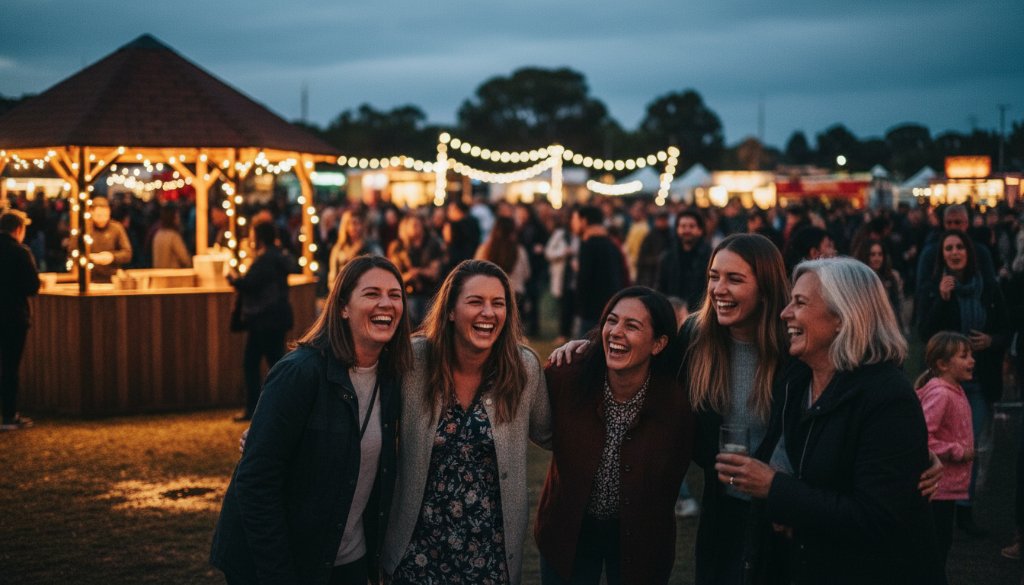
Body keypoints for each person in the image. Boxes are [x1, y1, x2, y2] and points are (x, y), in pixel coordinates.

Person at [716, 258, 941, 584]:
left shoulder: (887, 398)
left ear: (841, 317)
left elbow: (877, 517)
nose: (785, 313)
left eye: (800, 303)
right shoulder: (796, 380)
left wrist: (775, 489)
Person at [211, 255, 413, 585]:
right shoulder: (300, 373)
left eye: (395, 294)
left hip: (348, 556)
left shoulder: (393, 378)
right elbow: (255, 483)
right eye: (372, 293)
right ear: (343, 307)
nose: (386, 304)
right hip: (282, 559)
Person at [383, 260, 551, 585]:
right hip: (417, 552)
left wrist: (585, 356)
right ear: (450, 311)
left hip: (490, 554)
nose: (488, 312)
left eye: (498, 303)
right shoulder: (413, 363)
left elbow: (555, 434)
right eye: (475, 302)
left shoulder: (523, 369)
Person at [536, 286, 693, 585]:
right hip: (570, 529)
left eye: (632, 325)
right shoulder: (567, 376)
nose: (616, 332)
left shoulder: (677, 402)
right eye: (612, 320)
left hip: (641, 534)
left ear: (658, 344)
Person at [918, 229, 1009, 536]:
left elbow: (1006, 329)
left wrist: (991, 341)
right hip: (946, 381)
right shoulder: (936, 287)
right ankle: (942, 501)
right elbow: (925, 332)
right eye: (948, 248)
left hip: (979, 377)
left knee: (972, 445)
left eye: (959, 247)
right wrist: (942, 299)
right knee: (945, 442)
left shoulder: (988, 288)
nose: (954, 252)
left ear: (969, 252)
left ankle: (965, 508)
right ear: (942, 254)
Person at [915, 331, 976, 583]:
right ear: (942, 364)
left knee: (942, 544)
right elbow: (923, 438)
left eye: (971, 354)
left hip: (948, 488)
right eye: (964, 356)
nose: (972, 360)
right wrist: (958, 451)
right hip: (937, 488)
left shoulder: (955, 390)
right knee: (935, 548)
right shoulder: (941, 394)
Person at [228, 221, 296, 421]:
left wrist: (233, 279)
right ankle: (283, 406)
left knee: (254, 364)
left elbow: (250, 284)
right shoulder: (278, 257)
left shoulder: (264, 260)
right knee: (276, 364)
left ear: (259, 237)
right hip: (275, 318)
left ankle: (255, 408)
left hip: (263, 320)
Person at [0, 210, 40, 431]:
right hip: (14, 316)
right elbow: (32, 287)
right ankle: (8, 415)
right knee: (10, 367)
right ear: (18, 229)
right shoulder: (20, 252)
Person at [573, 206, 626, 336]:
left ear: (584, 221)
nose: (572, 224)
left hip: (590, 312)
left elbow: (585, 280)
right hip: (611, 307)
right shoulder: (612, 244)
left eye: (574, 220)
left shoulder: (588, 245)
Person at [386, 214, 443, 327]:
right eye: (412, 225)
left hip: (429, 294)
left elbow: (434, 273)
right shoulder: (398, 247)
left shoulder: (432, 244)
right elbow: (394, 276)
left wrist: (417, 272)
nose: (415, 227)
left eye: (417, 224)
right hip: (407, 295)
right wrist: (412, 275)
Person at [656, 209, 712, 312]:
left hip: (699, 314)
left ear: (700, 230)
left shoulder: (710, 257)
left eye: (691, 226)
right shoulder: (667, 257)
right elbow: (661, 288)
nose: (687, 230)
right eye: (683, 226)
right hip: (673, 313)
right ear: (677, 229)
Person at [476, 216, 531, 310]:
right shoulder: (519, 251)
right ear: (512, 232)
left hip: (490, 294)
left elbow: (476, 272)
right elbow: (527, 274)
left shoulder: (485, 250)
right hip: (515, 294)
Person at [853, 240, 904, 331]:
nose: (877, 258)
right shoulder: (859, 280)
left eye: (880, 254)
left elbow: (897, 305)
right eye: (872, 255)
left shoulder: (891, 277)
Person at [328, 208, 380, 290]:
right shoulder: (339, 248)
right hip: (343, 290)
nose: (354, 227)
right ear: (345, 226)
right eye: (351, 223)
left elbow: (378, 271)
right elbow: (333, 275)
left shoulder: (371, 246)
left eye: (358, 223)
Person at [86, 196, 133, 282]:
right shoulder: (85, 229)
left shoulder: (116, 228)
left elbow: (127, 253)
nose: (103, 218)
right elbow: (73, 251)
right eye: (99, 215)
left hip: (112, 276)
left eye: (105, 215)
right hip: (89, 277)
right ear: (91, 212)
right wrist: (90, 257)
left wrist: (112, 257)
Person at [151, 205, 192, 269]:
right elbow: (185, 259)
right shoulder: (173, 237)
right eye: (177, 217)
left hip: (159, 275)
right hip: (172, 275)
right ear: (173, 218)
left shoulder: (158, 235)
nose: (179, 219)